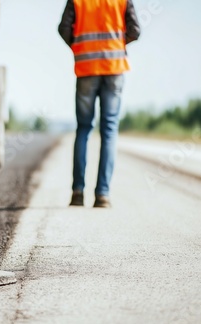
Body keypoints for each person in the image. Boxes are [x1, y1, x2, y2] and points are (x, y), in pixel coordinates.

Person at [58, 0, 140, 208]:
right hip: (113, 68)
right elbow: (135, 30)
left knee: (84, 128)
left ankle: (77, 193)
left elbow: (63, 28)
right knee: (109, 130)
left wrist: (78, 46)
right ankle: (102, 194)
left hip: (86, 67)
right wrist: (116, 44)